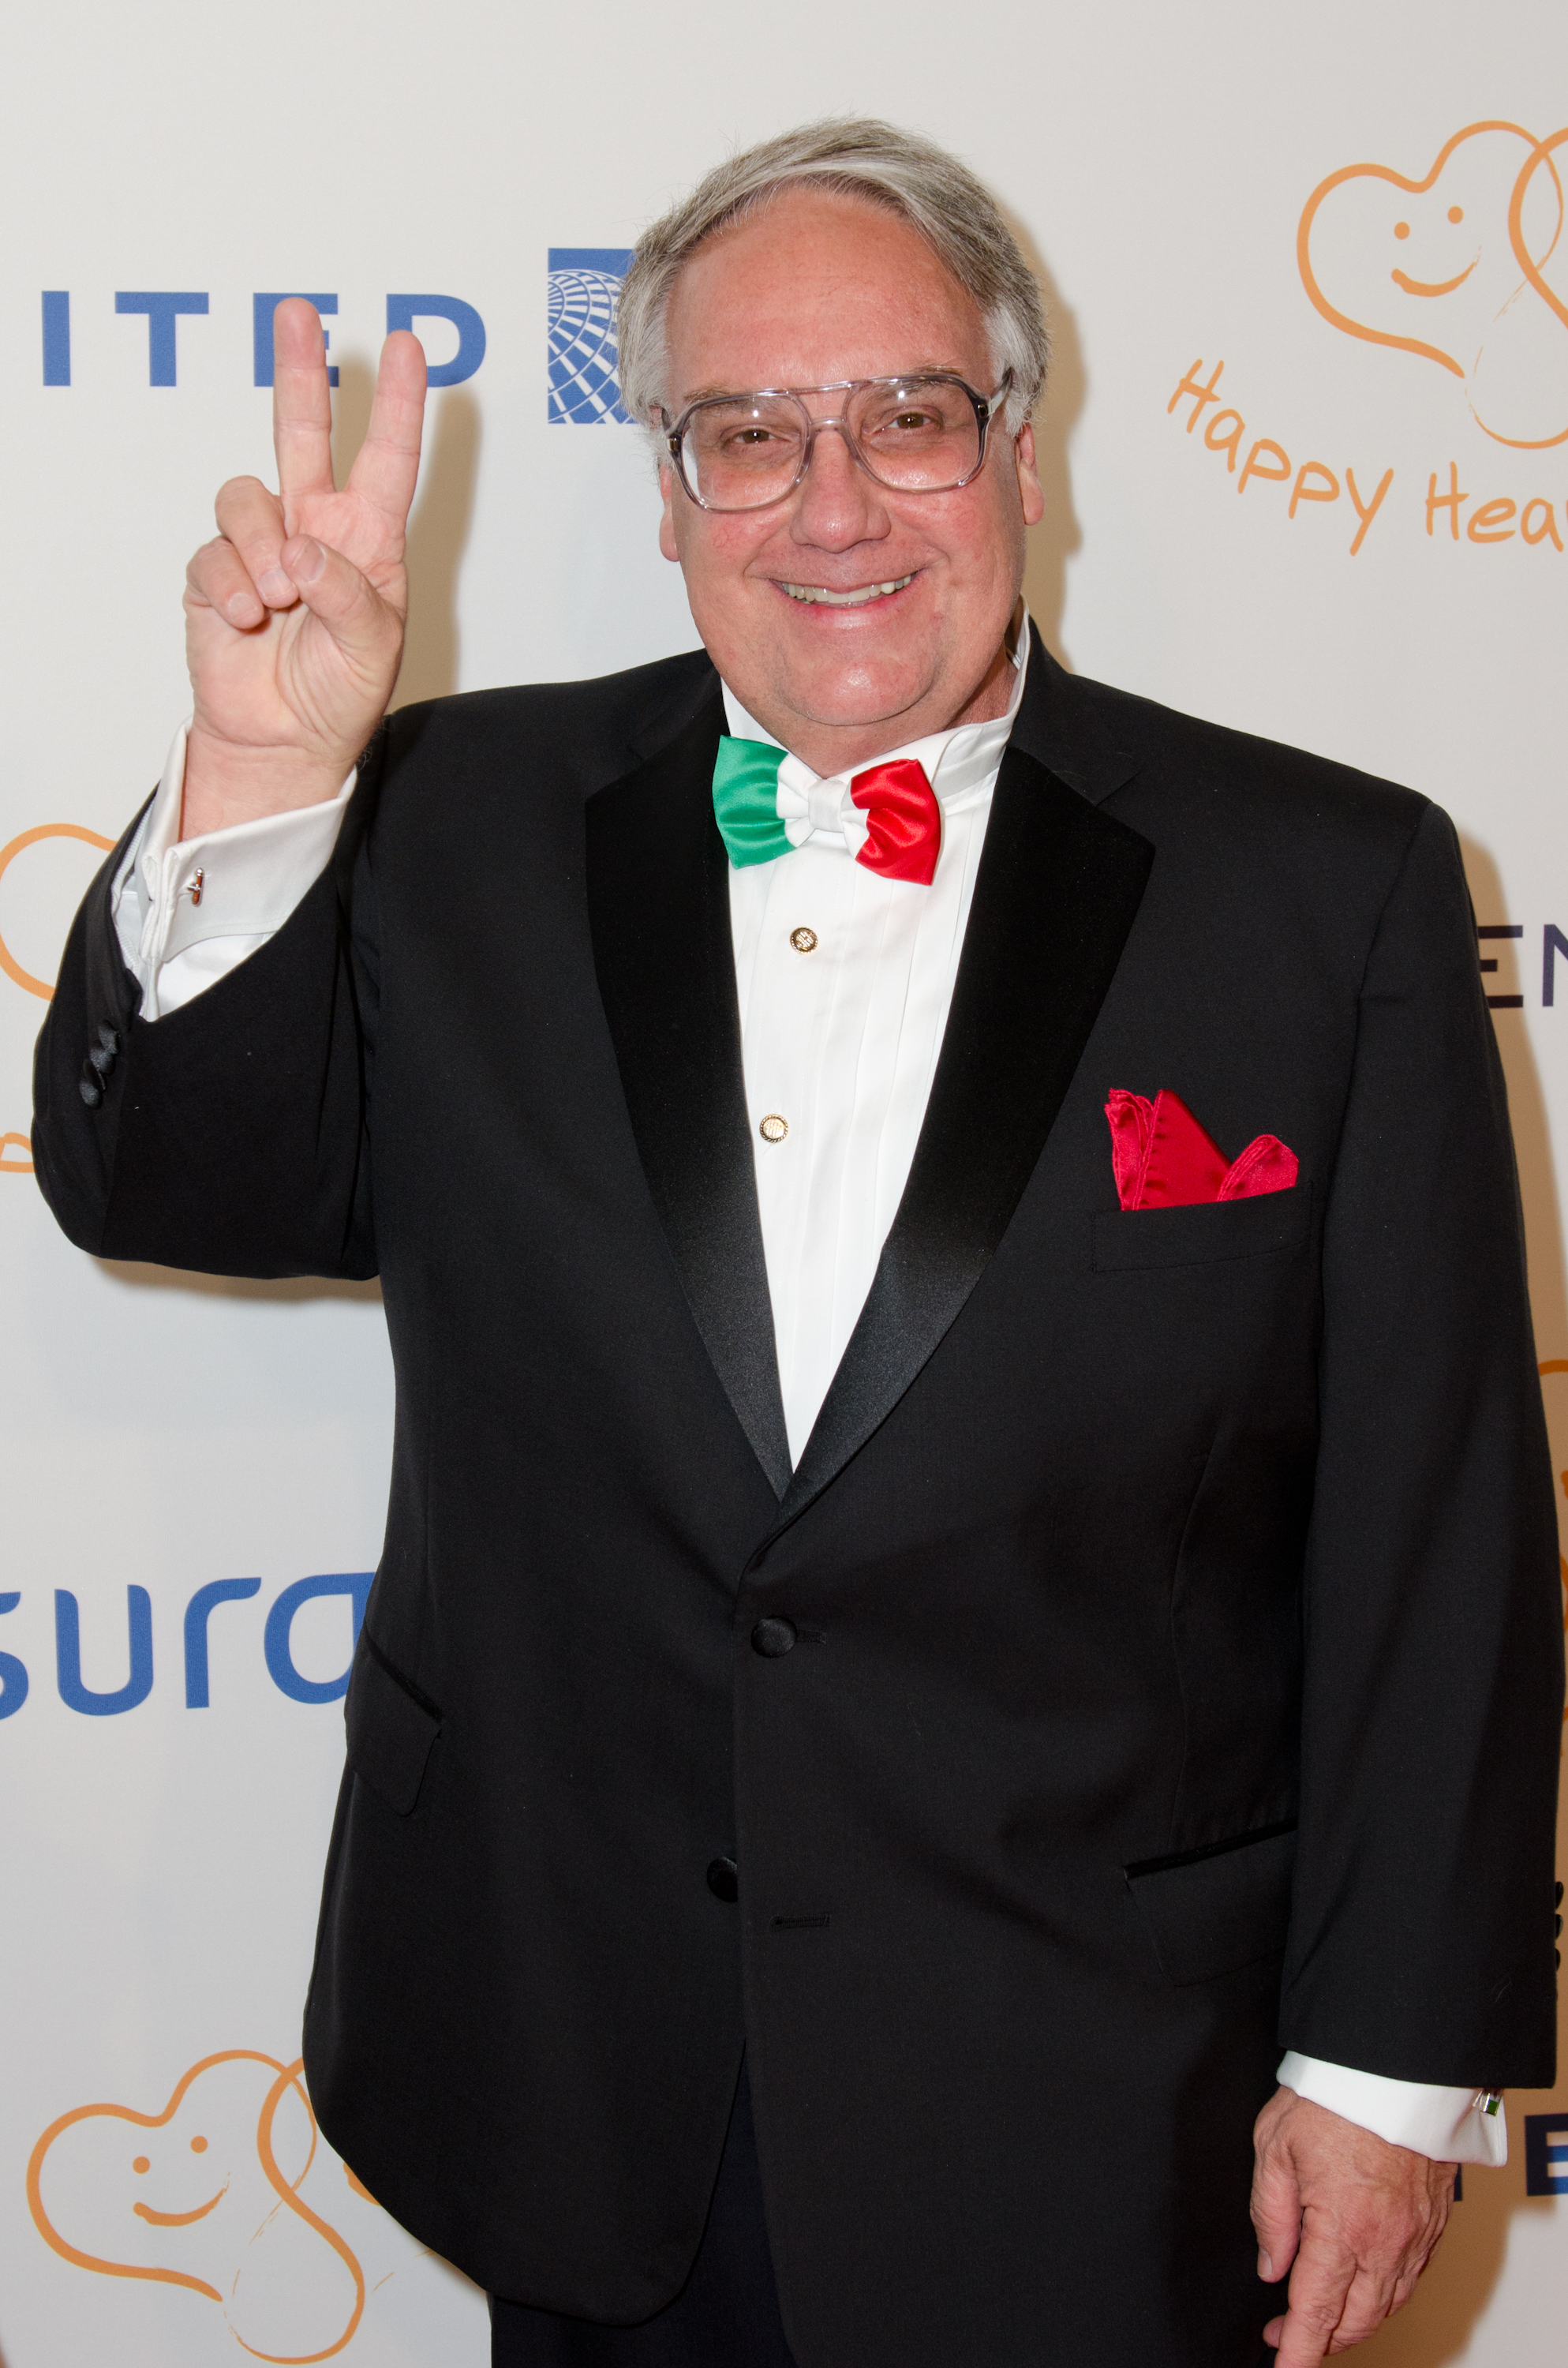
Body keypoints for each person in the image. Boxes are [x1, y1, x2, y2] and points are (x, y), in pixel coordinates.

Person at [33, 119, 1562, 2368]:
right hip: (582, 2082)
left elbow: (1434, 1535)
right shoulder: (442, 817)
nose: (829, 508)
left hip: (1116, 2099)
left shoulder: (1318, 884)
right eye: (746, 434)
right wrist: (262, 786)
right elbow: (169, 1185)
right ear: (664, 490)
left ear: (1016, 454)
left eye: (903, 418)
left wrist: (1377, 2068)